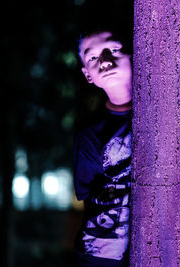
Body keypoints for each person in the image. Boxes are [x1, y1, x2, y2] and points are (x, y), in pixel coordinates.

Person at [73, 25, 132, 267]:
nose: (105, 61)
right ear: (88, 74)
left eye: (114, 50)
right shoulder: (90, 134)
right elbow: (88, 197)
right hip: (102, 254)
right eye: (93, 57)